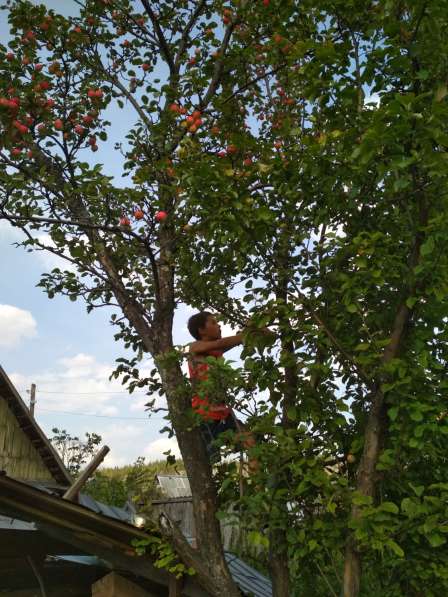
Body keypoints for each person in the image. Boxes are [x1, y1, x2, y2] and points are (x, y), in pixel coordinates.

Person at [187, 311, 255, 465]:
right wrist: (247, 333)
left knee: (251, 440)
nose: (219, 325)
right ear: (201, 330)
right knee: (209, 462)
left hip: (222, 413)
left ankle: (257, 486)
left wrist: (254, 330)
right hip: (205, 416)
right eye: (213, 322)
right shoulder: (195, 347)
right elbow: (220, 344)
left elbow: (225, 345)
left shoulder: (214, 353)